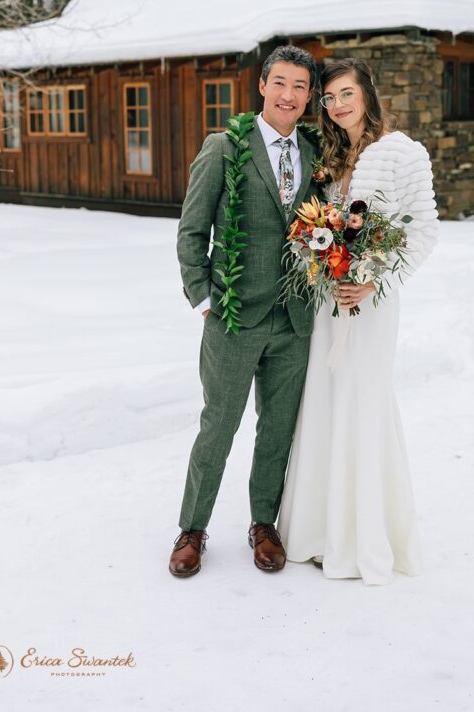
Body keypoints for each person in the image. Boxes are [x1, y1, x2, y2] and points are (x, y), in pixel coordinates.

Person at [278, 57, 439, 586]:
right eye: (329, 98)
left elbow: (423, 232)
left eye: (346, 93)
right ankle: (323, 531)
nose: (338, 104)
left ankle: (361, 536)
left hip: (371, 302)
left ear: (367, 92)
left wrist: (376, 278)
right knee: (325, 399)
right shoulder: (331, 157)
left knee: (362, 399)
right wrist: (318, 259)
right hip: (330, 300)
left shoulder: (402, 151)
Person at [169, 44, 322, 578]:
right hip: (233, 317)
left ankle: (263, 524)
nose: (289, 95)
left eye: (300, 86)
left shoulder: (315, 151)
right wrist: (205, 298)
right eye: (280, 83)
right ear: (262, 86)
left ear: (309, 95)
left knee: (277, 428)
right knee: (219, 426)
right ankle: (192, 528)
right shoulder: (225, 147)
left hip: (295, 319)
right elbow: (192, 231)